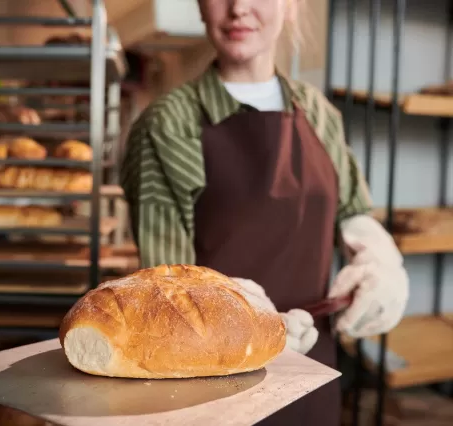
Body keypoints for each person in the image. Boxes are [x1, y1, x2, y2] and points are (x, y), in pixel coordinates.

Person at [120, 1, 409, 425]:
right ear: (201, 7)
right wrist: (250, 326)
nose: (239, 8)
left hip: (316, 369)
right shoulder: (167, 124)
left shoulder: (319, 112)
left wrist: (381, 264)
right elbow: (169, 288)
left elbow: (353, 212)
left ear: (291, 7)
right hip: (215, 381)